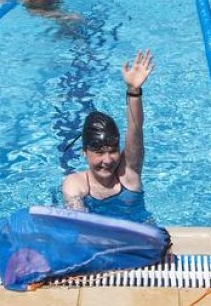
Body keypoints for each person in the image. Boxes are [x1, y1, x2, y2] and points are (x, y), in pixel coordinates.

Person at [61, 49, 155, 225]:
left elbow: (135, 130)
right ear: (84, 152)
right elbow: (78, 224)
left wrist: (134, 91)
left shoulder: (128, 175)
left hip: (141, 244)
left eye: (112, 151)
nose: (107, 160)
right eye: (99, 152)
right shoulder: (76, 184)